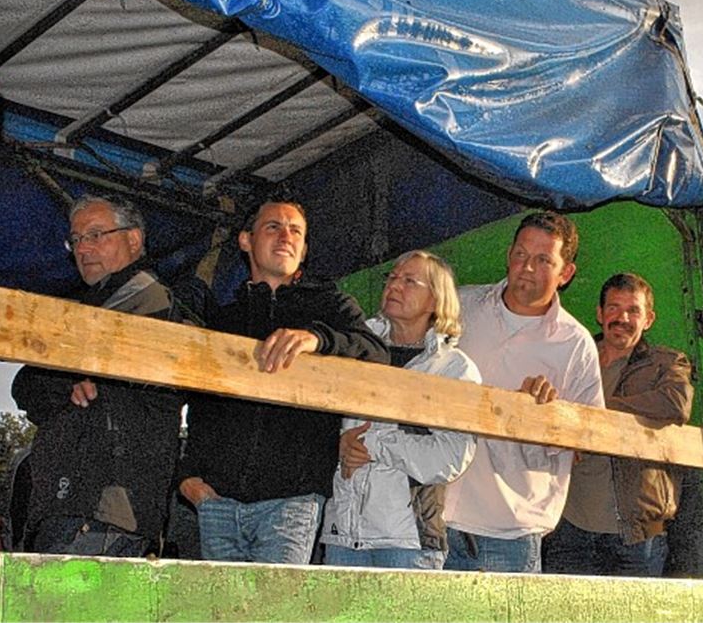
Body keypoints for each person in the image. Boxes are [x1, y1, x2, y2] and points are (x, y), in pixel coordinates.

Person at [177, 200, 389, 565]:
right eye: (273, 226)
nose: (286, 236)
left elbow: (377, 355)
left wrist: (318, 338)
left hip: (293, 498)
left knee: (276, 609)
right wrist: (189, 479)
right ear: (246, 240)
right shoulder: (222, 320)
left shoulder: (331, 306)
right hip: (216, 500)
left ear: (304, 250)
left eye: (296, 231)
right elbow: (194, 403)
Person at [12, 195, 183, 556]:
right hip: (68, 506)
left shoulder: (158, 304)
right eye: (76, 240)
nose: (83, 248)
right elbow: (25, 384)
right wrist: (66, 383)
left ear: (133, 239)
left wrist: (68, 378)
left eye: (95, 234)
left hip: (106, 512)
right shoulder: (84, 308)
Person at [442, 211, 604, 573]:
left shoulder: (576, 345)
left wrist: (547, 417)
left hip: (511, 530)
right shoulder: (460, 306)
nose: (527, 267)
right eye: (520, 254)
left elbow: (585, 442)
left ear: (566, 274)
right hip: (436, 516)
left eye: (543, 259)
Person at [322, 250, 481, 569]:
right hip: (340, 533)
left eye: (409, 281)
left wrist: (373, 445)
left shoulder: (454, 369)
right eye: (392, 277)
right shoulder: (354, 351)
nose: (394, 285)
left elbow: (449, 457)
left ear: (436, 300)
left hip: (408, 542)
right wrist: (335, 444)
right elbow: (317, 422)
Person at [542, 273, 693, 576]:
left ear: (648, 319)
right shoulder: (571, 359)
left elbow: (676, 403)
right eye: (613, 308)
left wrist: (593, 413)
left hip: (636, 533)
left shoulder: (666, 362)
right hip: (568, 523)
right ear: (599, 314)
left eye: (633, 310)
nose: (622, 317)